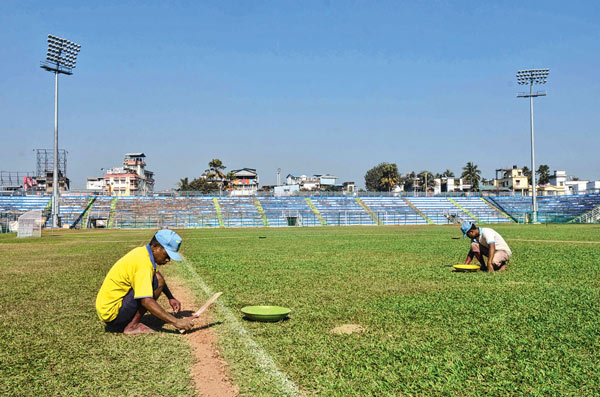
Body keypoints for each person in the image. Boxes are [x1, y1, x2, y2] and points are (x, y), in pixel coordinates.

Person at [96, 230, 195, 334]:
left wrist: (170, 297)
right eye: (167, 254)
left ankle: (130, 322)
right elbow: (146, 301)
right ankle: (132, 326)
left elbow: (157, 277)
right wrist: (176, 322)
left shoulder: (142, 253)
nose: (168, 260)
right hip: (113, 315)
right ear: (155, 246)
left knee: (157, 277)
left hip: (107, 311)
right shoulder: (143, 264)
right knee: (153, 285)